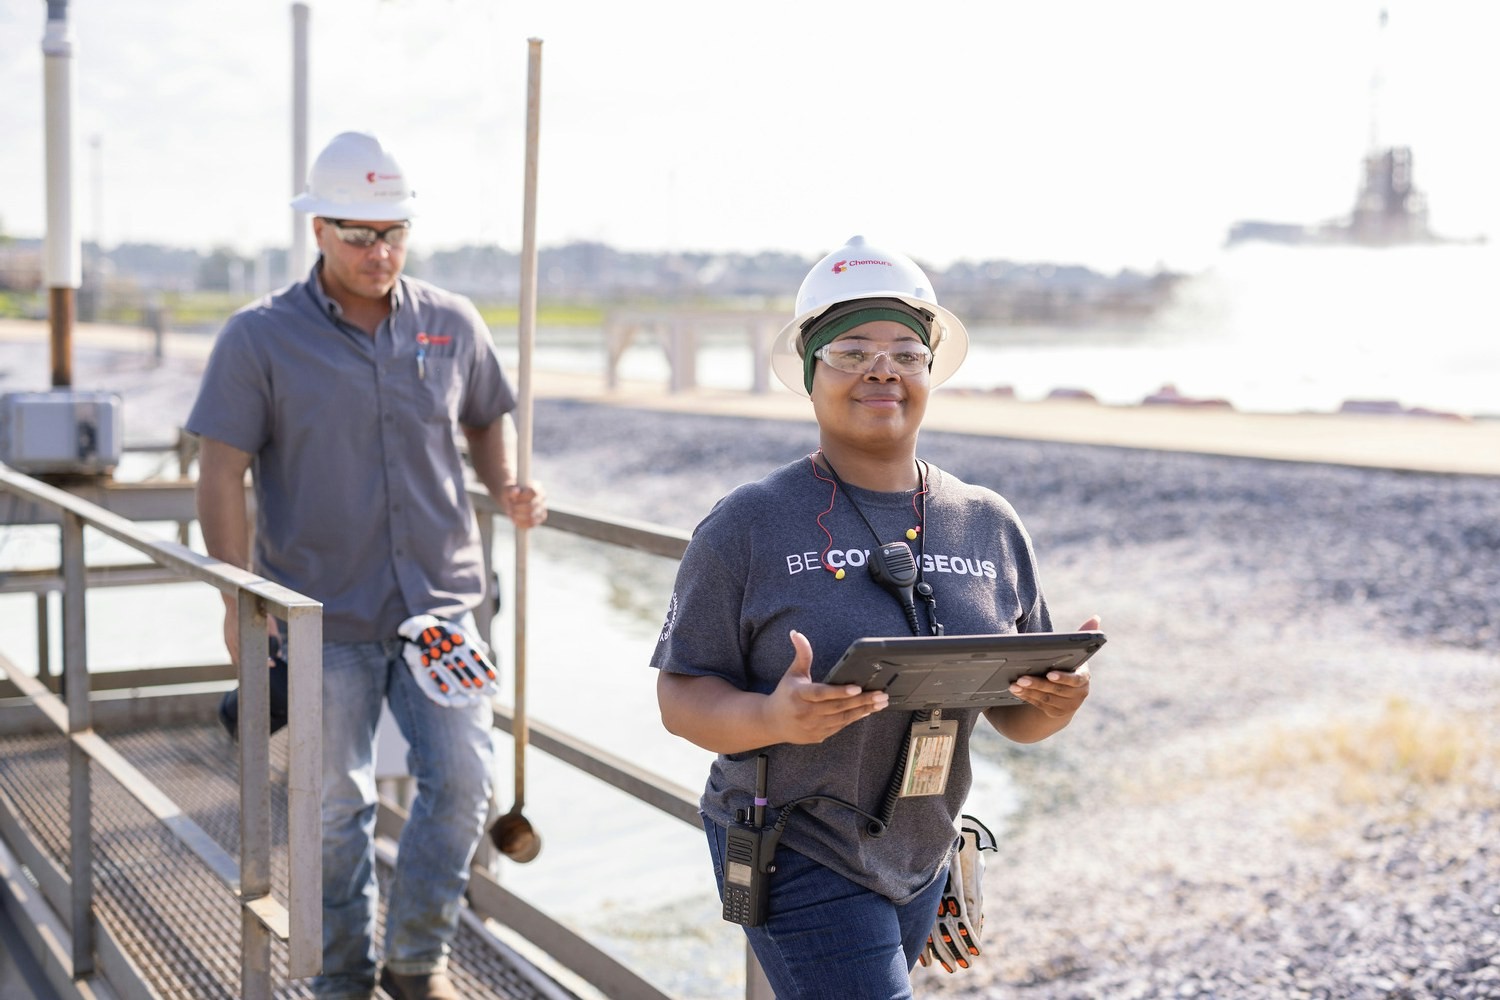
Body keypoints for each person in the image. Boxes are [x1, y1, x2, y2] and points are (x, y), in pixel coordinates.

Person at [651, 235, 1098, 998]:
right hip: (795, 842)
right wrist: (774, 716)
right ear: (809, 373)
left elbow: (1015, 718)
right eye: (851, 351)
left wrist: (1056, 705)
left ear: (929, 371)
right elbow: (681, 696)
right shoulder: (748, 525)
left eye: (905, 352)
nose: (882, 369)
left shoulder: (987, 522)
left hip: (920, 847)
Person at [187, 131, 546, 1000]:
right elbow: (221, 471)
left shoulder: (452, 321)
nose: (378, 253)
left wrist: (506, 484)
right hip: (322, 618)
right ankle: (342, 976)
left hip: (442, 612)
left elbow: (489, 413)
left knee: (463, 784)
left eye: (393, 234)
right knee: (333, 811)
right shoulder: (258, 338)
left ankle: (415, 959)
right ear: (317, 231)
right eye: (359, 235)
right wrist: (239, 595)